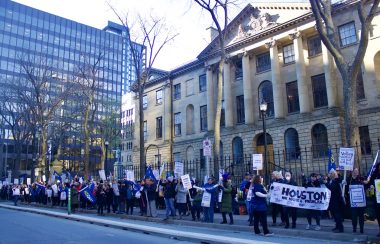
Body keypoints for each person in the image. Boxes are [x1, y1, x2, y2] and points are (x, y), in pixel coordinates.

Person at [348, 168, 365, 233]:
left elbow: (364, 187)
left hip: (361, 201)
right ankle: (354, 228)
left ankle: (361, 229)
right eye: (355, 171)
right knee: (354, 216)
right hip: (353, 202)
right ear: (352, 172)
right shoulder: (349, 180)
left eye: (357, 171)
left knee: (361, 216)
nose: (357, 172)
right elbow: (346, 189)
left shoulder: (360, 179)